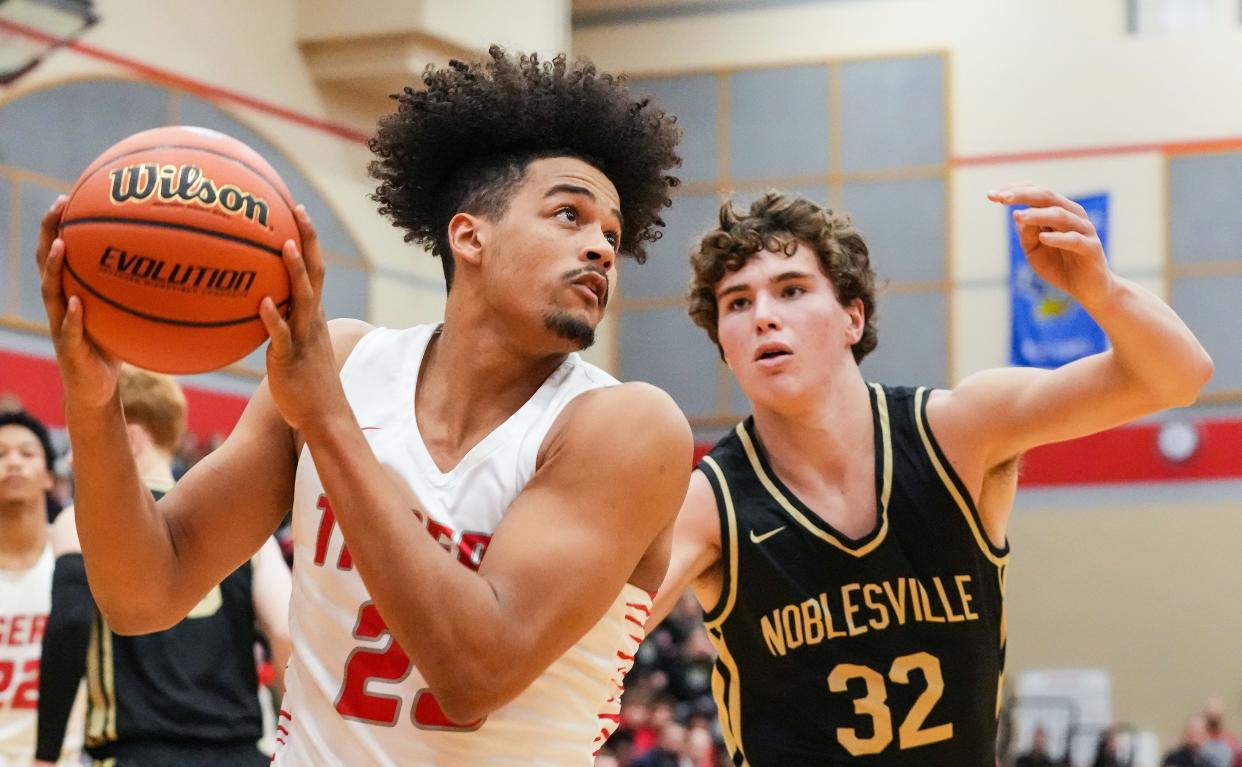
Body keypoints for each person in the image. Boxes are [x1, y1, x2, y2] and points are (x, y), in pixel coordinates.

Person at [35, 46, 688, 766]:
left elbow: (474, 673)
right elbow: (144, 593)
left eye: (612, 236)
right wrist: (93, 399)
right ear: (469, 235)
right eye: (570, 214)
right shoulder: (345, 363)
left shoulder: (626, 424)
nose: (600, 247)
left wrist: (327, 421)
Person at [651, 189, 1213, 766]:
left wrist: (1103, 289)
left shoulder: (957, 432)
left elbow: (1178, 377)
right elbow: (586, 645)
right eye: (737, 302)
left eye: (792, 290)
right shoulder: (711, 503)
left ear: (852, 315)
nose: (764, 314)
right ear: (723, 341)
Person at [32, 366, 292, 767]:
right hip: (240, 754)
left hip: (140, 751)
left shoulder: (83, 520)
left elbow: (70, 623)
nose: (71, 459)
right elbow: (286, 632)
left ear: (130, 439)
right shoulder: (246, 529)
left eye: (77, 444)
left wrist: (45, 756)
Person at [0, 411, 81, 766]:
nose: (13, 462)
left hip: (66, 756)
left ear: (50, 477)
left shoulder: (74, 561)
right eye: (0, 455)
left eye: (27, 453)